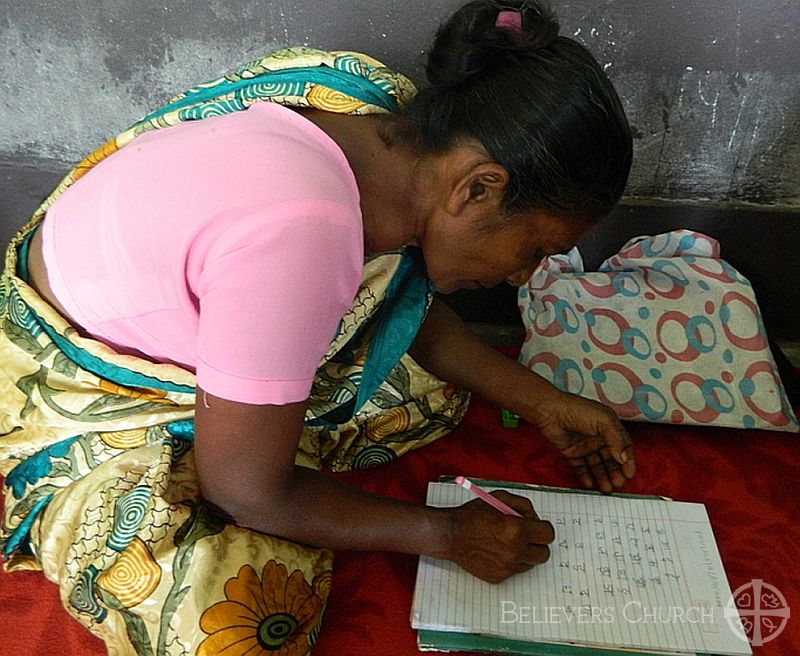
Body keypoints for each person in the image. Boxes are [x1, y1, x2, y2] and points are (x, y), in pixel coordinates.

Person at [0, 1, 635, 653]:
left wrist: (542, 402)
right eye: (534, 249)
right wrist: (445, 535)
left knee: (428, 393)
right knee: (238, 616)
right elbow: (246, 492)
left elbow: (397, 301)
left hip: (174, 293)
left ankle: (255, 420)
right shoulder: (301, 239)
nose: (524, 278)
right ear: (477, 189)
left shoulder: (371, 107)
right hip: (74, 391)